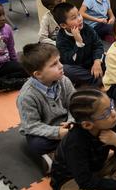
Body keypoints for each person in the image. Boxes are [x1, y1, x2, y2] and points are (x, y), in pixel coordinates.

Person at [17, 43, 75, 174]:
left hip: (67, 123)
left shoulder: (64, 80)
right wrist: (57, 133)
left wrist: (72, 122)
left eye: (59, 60)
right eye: (54, 64)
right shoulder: (26, 96)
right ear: (38, 74)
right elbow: (31, 126)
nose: (61, 66)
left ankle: (61, 152)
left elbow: (75, 104)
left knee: (91, 114)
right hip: (46, 130)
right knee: (37, 144)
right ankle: (69, 147)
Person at [53, 2, 104, 87]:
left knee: (108, 56)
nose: (80, 19)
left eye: (79, 15)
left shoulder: (87, 28)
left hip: (92, 61)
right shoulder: (61, 40)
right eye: (74, 18)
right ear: (63, 25)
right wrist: (78, 43)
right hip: (78, 67)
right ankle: (97, 80)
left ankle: (94, 78)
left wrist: (97, 62)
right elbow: (71, 61)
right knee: (65, 70)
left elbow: (98, 45)